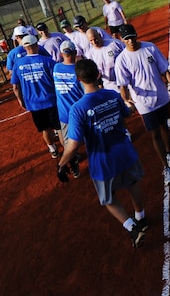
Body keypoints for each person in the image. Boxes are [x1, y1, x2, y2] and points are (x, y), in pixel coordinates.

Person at [57, 58, 147, 249]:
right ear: (98, 74)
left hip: (102, 160)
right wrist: (130, 106)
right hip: (125, 151)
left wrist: (61, 164)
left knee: (108, 198)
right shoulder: (113, 95)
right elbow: (127, 113)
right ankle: (141, 217)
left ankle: (131, 227)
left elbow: (73, 145)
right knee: (133, 183)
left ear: (78, 79)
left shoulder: (78, 108)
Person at [114, 23, 170, 186]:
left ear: (136, 35)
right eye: (127, 39)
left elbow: (164, 71)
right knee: (154, 133)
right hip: (145, 104)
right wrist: (126, 99)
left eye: (132, 37)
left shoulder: (150, 48)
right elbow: (123, 86)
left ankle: (169, 154)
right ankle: (165, 168)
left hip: (162, 98)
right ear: (122, 40)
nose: (131, 41)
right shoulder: (121, 60)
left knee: (165, 127)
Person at [10, 34, 62, 158]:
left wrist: (20, 100)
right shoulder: (48, 61)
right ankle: (68, 151)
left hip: (33, 103)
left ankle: (53, 149)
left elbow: (15, 87)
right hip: (51, 100)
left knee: (45, 128)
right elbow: (58, 81)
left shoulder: (18, 64)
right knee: (59, 128)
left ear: (24, 47)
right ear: (36, 45)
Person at [52, 40, 84, 178]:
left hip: (64, 114)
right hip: (80, 113)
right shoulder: (79, 70)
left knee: (68, 144)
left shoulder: (56, 68)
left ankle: (73, 167)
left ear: (61, 54)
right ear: (75, 53)